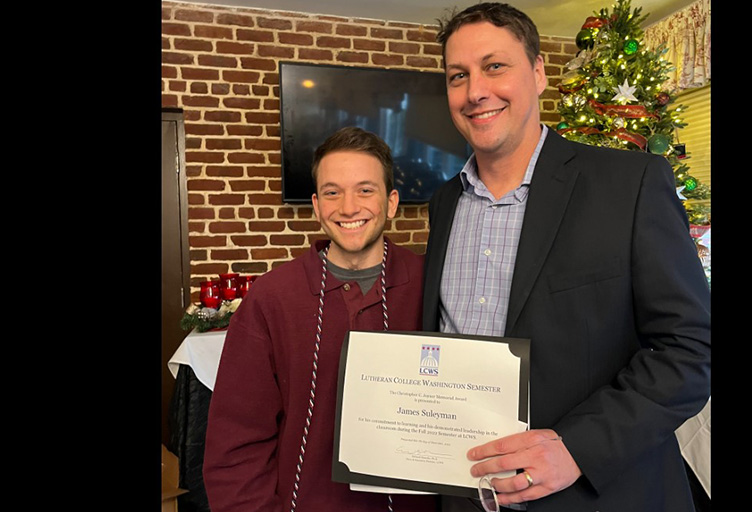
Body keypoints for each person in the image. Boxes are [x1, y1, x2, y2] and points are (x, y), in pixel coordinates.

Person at [422, 3, 711, 511]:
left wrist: (577, 448)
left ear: (537, 73)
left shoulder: (630, 183)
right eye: (457, 76)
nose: (475, 92)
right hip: (468, 492)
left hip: (602, 495)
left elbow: (691, 348)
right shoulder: (445, 204)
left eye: (495, 66)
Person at [203, 127, 437, 512]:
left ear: (391, 202)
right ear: (316, 205)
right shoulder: (272, 297)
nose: (348, 207)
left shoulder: (431, 285)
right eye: (332, 192)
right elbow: (236, 444)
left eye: (365, 190)